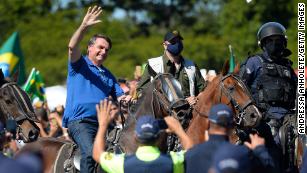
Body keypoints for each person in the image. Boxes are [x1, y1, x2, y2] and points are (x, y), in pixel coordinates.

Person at [62, 6, 130, 173]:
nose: (103, 51)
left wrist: (126, 99)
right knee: (90, 153)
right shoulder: (79, 65)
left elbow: (119, 96)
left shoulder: (108, 74)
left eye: (106, 50)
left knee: (122, 151)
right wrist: (84, 25)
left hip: (104, 123)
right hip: (80, 122)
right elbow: (72, 46)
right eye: (100, 47)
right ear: (89, 48)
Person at [239, 22, 297, 172]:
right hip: (263, 118)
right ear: (263, 43)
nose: (274, 44)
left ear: (284, 43)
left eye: (278, 40)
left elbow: (298, 90)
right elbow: (239, 89)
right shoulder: (254, 62)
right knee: (275, 143)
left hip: (289, 117)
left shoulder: (287, 67)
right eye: (270, 40)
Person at [93, 99, 193, 173]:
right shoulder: (173, 161)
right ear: (158, 137)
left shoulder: (122, 163)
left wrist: (102, 125)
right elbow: (193, 153)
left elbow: (97, 154)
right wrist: (179, 130)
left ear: (136, 136)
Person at [185, 104, 274, 173]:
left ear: (208, 123)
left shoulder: (190, 154)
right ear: (232, 126)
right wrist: (260, 150)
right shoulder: (243, 154)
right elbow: (270, 169)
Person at [136, 30, 206, 106]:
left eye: (179, 41)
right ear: (164, 45)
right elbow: (141, 91)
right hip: (163, 115)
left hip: (190, 113)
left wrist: (196, 99)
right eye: (173, 42)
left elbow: (204, 90)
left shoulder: (191, 65)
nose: (177, 44)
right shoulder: (153, 65)